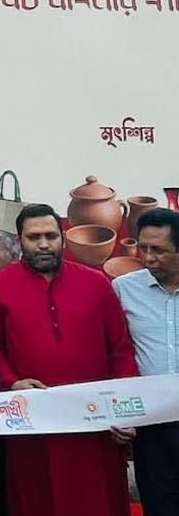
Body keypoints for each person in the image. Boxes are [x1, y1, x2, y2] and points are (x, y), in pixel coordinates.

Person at [0, 204, 139, 516]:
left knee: (97, 499)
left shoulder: (96, 283)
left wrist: (124, 408)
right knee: (37, 498)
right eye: (34, 237)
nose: (43, 244)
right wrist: (12, 382)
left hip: (94, 420)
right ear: (19, 240)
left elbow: (120, 349)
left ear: (63, 238)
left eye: (50, 236)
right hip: (33, 419)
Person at [113, 208, 179, 516]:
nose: (149, 257)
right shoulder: (124, 289)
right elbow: (116, 352)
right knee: (159, 504)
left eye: (159, 250)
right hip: (152, 424)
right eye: (143, 248)